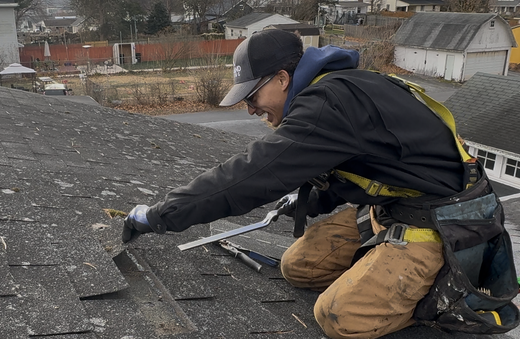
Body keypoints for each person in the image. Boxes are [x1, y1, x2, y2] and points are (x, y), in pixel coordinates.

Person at [122, 30, 518, 338]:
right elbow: (368, 164)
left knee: (340, 318)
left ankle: (436, 297)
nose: (249, 107)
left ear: (281, 78)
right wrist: (307, 201)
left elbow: (249, 175)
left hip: (445, 222)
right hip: (396, 205)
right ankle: (381, 266)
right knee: (300, 268)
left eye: (253, 94)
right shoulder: (337, 88)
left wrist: (157, 216)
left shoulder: (330, 103)